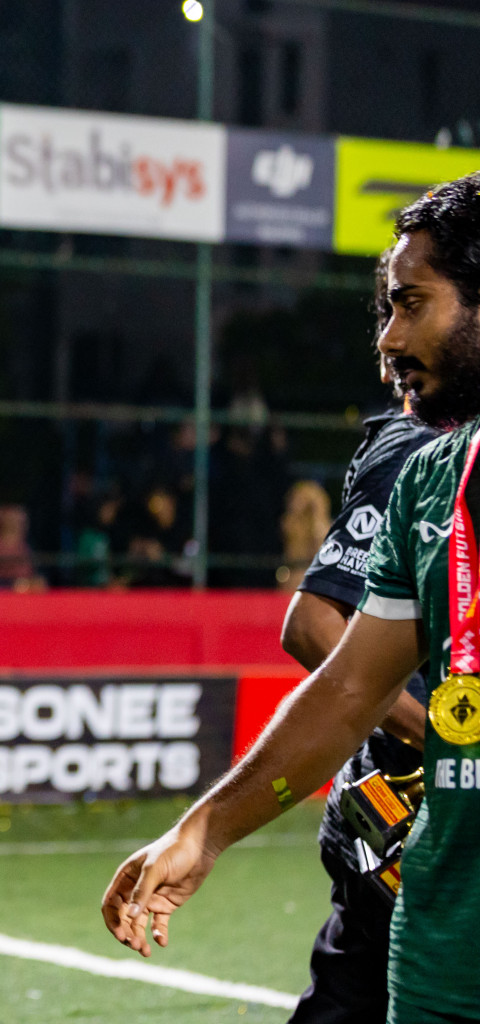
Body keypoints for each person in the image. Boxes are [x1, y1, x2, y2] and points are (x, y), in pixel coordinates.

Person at [101, 173, 480, 1023]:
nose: (388, 337)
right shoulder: (427, 476)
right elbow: (349, 686)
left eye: (411, 304)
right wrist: (203, 830)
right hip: (440, 947)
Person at [275, 254, 438, 1024]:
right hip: (404, 827)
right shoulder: (414, 448)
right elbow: (315, 627)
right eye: (393, 311)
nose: (392, 341)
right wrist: (451, 740)